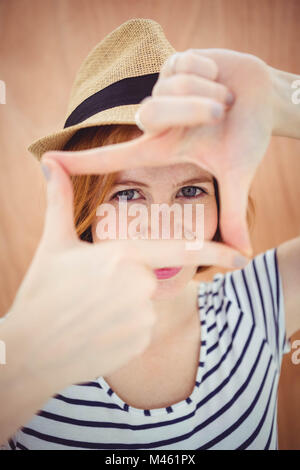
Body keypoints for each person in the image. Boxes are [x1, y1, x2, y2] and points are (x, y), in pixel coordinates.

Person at [0, 18, 299, 450]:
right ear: (81, 203)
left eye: (191, 189)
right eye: (127, 195)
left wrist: (280, 99)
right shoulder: (18, 344)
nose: (163, 229)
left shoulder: (262, 302)